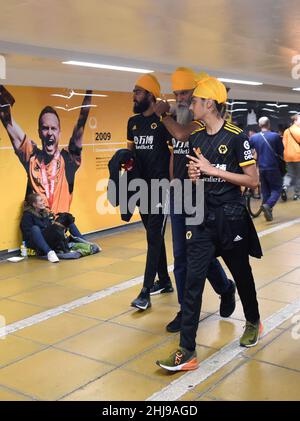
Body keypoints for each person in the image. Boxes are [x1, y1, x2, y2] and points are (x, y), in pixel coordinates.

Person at [157, 75, 262, 371]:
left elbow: (252, 181)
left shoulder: (236, 136)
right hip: (201, 218)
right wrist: (196, 174)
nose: (191, 104)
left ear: (210, 104)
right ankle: (187, 351)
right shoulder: (197, 136)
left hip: (230, 219)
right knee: (192, 281)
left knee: (242, 275)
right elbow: (198, 173)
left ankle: (253, 321)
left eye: (195, 101)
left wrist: (212, 169)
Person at [153, 67, 236, 333]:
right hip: (179, 197)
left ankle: (225, 288)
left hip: (200, 197)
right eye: (176, 93)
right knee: (181, 256)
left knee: (201, 252)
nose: (181, 97)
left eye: (186, 92)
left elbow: (179, 134)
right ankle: (185, 310)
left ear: (198, 94)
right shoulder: (178, 118)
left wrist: (163, 114)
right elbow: (174, 154)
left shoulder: (198, 121)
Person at [0, 86, 92, 214]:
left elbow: (81, 123)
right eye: (45, 128)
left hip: (59, 228)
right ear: (39, 132)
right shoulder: (31, 157)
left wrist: (90, 90)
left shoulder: (68, 160)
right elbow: (8, 122)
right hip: (39, 225)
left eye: (53, 128)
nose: (49, 133)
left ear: (59, 132)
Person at [127, 74, 173, 310]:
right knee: (152, 236)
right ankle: (164, 280)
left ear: (149, 95)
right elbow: (130, 154)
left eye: (137, 91)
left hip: (160, 187)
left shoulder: (164, 122)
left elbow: (175, 153)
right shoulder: (132, 122)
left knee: (154, 237)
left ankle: (145, 291)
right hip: (140, 188)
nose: (133, 95)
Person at [20, 193, 83, 263]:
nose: (44, 202)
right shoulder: (27, 216)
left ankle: (85, 243)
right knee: (35, 228)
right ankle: (50, 253)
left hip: (48, 239)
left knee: (68, 221)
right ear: (34, 204)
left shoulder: (45, 213)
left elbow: (50, 228)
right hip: (36, 243)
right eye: (41, 201)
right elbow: (28, 235)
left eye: (43, 200)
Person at [249, 117, 284, 221]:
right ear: (269, 125)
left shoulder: (254, 137)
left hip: (261, 168)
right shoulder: (275, 136)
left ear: (259, 126)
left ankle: (268, 214)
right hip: (273, 167)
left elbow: (248, 149)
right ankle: (268, 205)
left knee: (266, 191)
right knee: (277, 189)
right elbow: (281, 151)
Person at [282, 114, 300, 200]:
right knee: (298, 176)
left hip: (287, 156)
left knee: (289, 174)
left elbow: (283, 144)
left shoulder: (287, 131)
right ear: (295, 121)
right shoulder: (298, 130)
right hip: (297, 156)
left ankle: (284, 187)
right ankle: (297, 194)